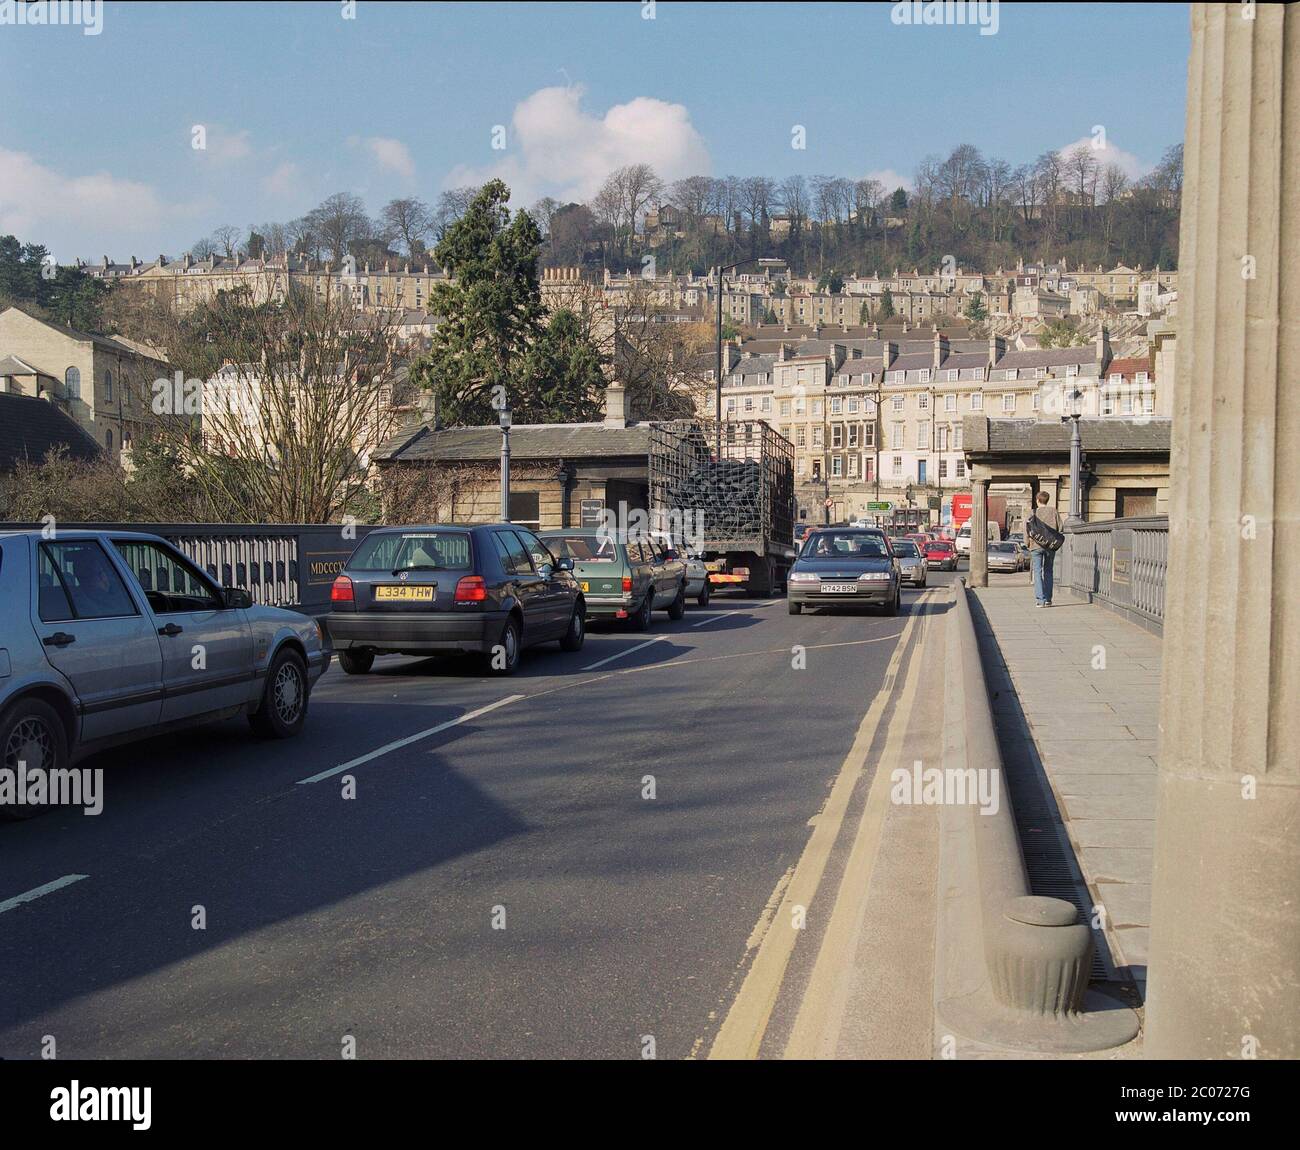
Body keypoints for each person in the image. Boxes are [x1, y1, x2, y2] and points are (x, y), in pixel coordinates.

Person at [1027, 490, 1062, 607]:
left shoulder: (1032, 512)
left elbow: (1026, 530)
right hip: (1050, 546)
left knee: (1037, 572)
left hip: (1036, 546)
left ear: (1037, 500)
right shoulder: (1054, 511)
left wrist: (1027, 543)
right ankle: (1048, 599)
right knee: (1048, 571)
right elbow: (1060, 527)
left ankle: (1040, 600)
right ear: (1047, 500)